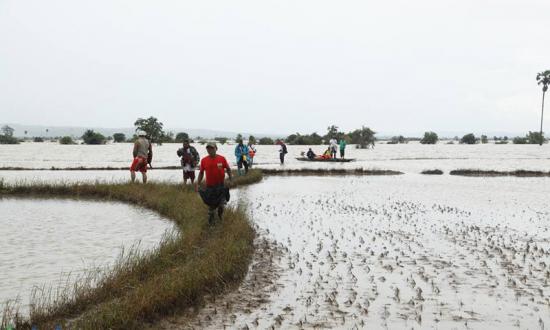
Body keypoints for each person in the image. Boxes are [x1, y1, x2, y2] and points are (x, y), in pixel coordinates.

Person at [195, 142, 232, 225]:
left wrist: (230, 179)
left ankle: (220, 217)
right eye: (208, 148)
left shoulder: (222, 158)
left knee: (221, 205)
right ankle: (211, 224)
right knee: (211, 207)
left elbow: (228, 169)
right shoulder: (204, 160)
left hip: (221, 186)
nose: (210, 150)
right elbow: (201, 173)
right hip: (210, 187)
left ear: (216, 148)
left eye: (212, 148)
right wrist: (198, 184)